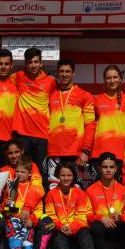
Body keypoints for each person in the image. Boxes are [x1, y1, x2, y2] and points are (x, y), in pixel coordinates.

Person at [46, 161, 100, 249]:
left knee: (85, 235)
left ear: (73, 176)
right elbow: (51, 216)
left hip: (78, 227)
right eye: (63, 175)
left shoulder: (80, 193)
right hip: (60, 228)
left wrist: (72, 228)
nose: (66, 178)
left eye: (69, 175)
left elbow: (82, 216)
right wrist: (61, 227)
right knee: (58, 238)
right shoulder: (51, 194)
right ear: (58, 176)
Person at [2, 156, 52, 249]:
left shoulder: (34, 189)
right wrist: (7, 205)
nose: (19, 174)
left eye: (23, 172)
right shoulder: (11, 186)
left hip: (27, 222)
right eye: (17, 171)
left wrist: (32, 220)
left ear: (30, 173)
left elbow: (39, 208)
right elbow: (5, 209)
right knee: (16, 247)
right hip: (13, 221)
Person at [47, 58, 96, 189]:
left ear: (73, 73)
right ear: (57, 73)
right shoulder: (51, 95)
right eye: (61, 71)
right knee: (54, 189)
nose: (64, 74)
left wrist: (85, 151)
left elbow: (90, 125)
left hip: (76, 152)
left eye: (68, 71)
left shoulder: (84, 95)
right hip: (54, 152)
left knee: (77, 189)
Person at [11, 47, 56, 178]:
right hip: (22, 134)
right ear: (25, 64)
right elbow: (2, 80)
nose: (33, 65)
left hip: (42, 134)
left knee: (41, 174)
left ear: (41, 63)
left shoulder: (50, 81)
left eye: (36, 62)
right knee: (23, 172)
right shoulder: (18, 77)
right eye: (30, 62)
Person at [91, 65, 125, 180]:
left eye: (115, 77)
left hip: (121, 154)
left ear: (120, 79)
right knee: (98, 189)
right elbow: (90, 126)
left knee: (118, 190)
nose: (112, 81)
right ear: (104, 80)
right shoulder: (96, 100)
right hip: (98, 153)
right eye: (109, 78)